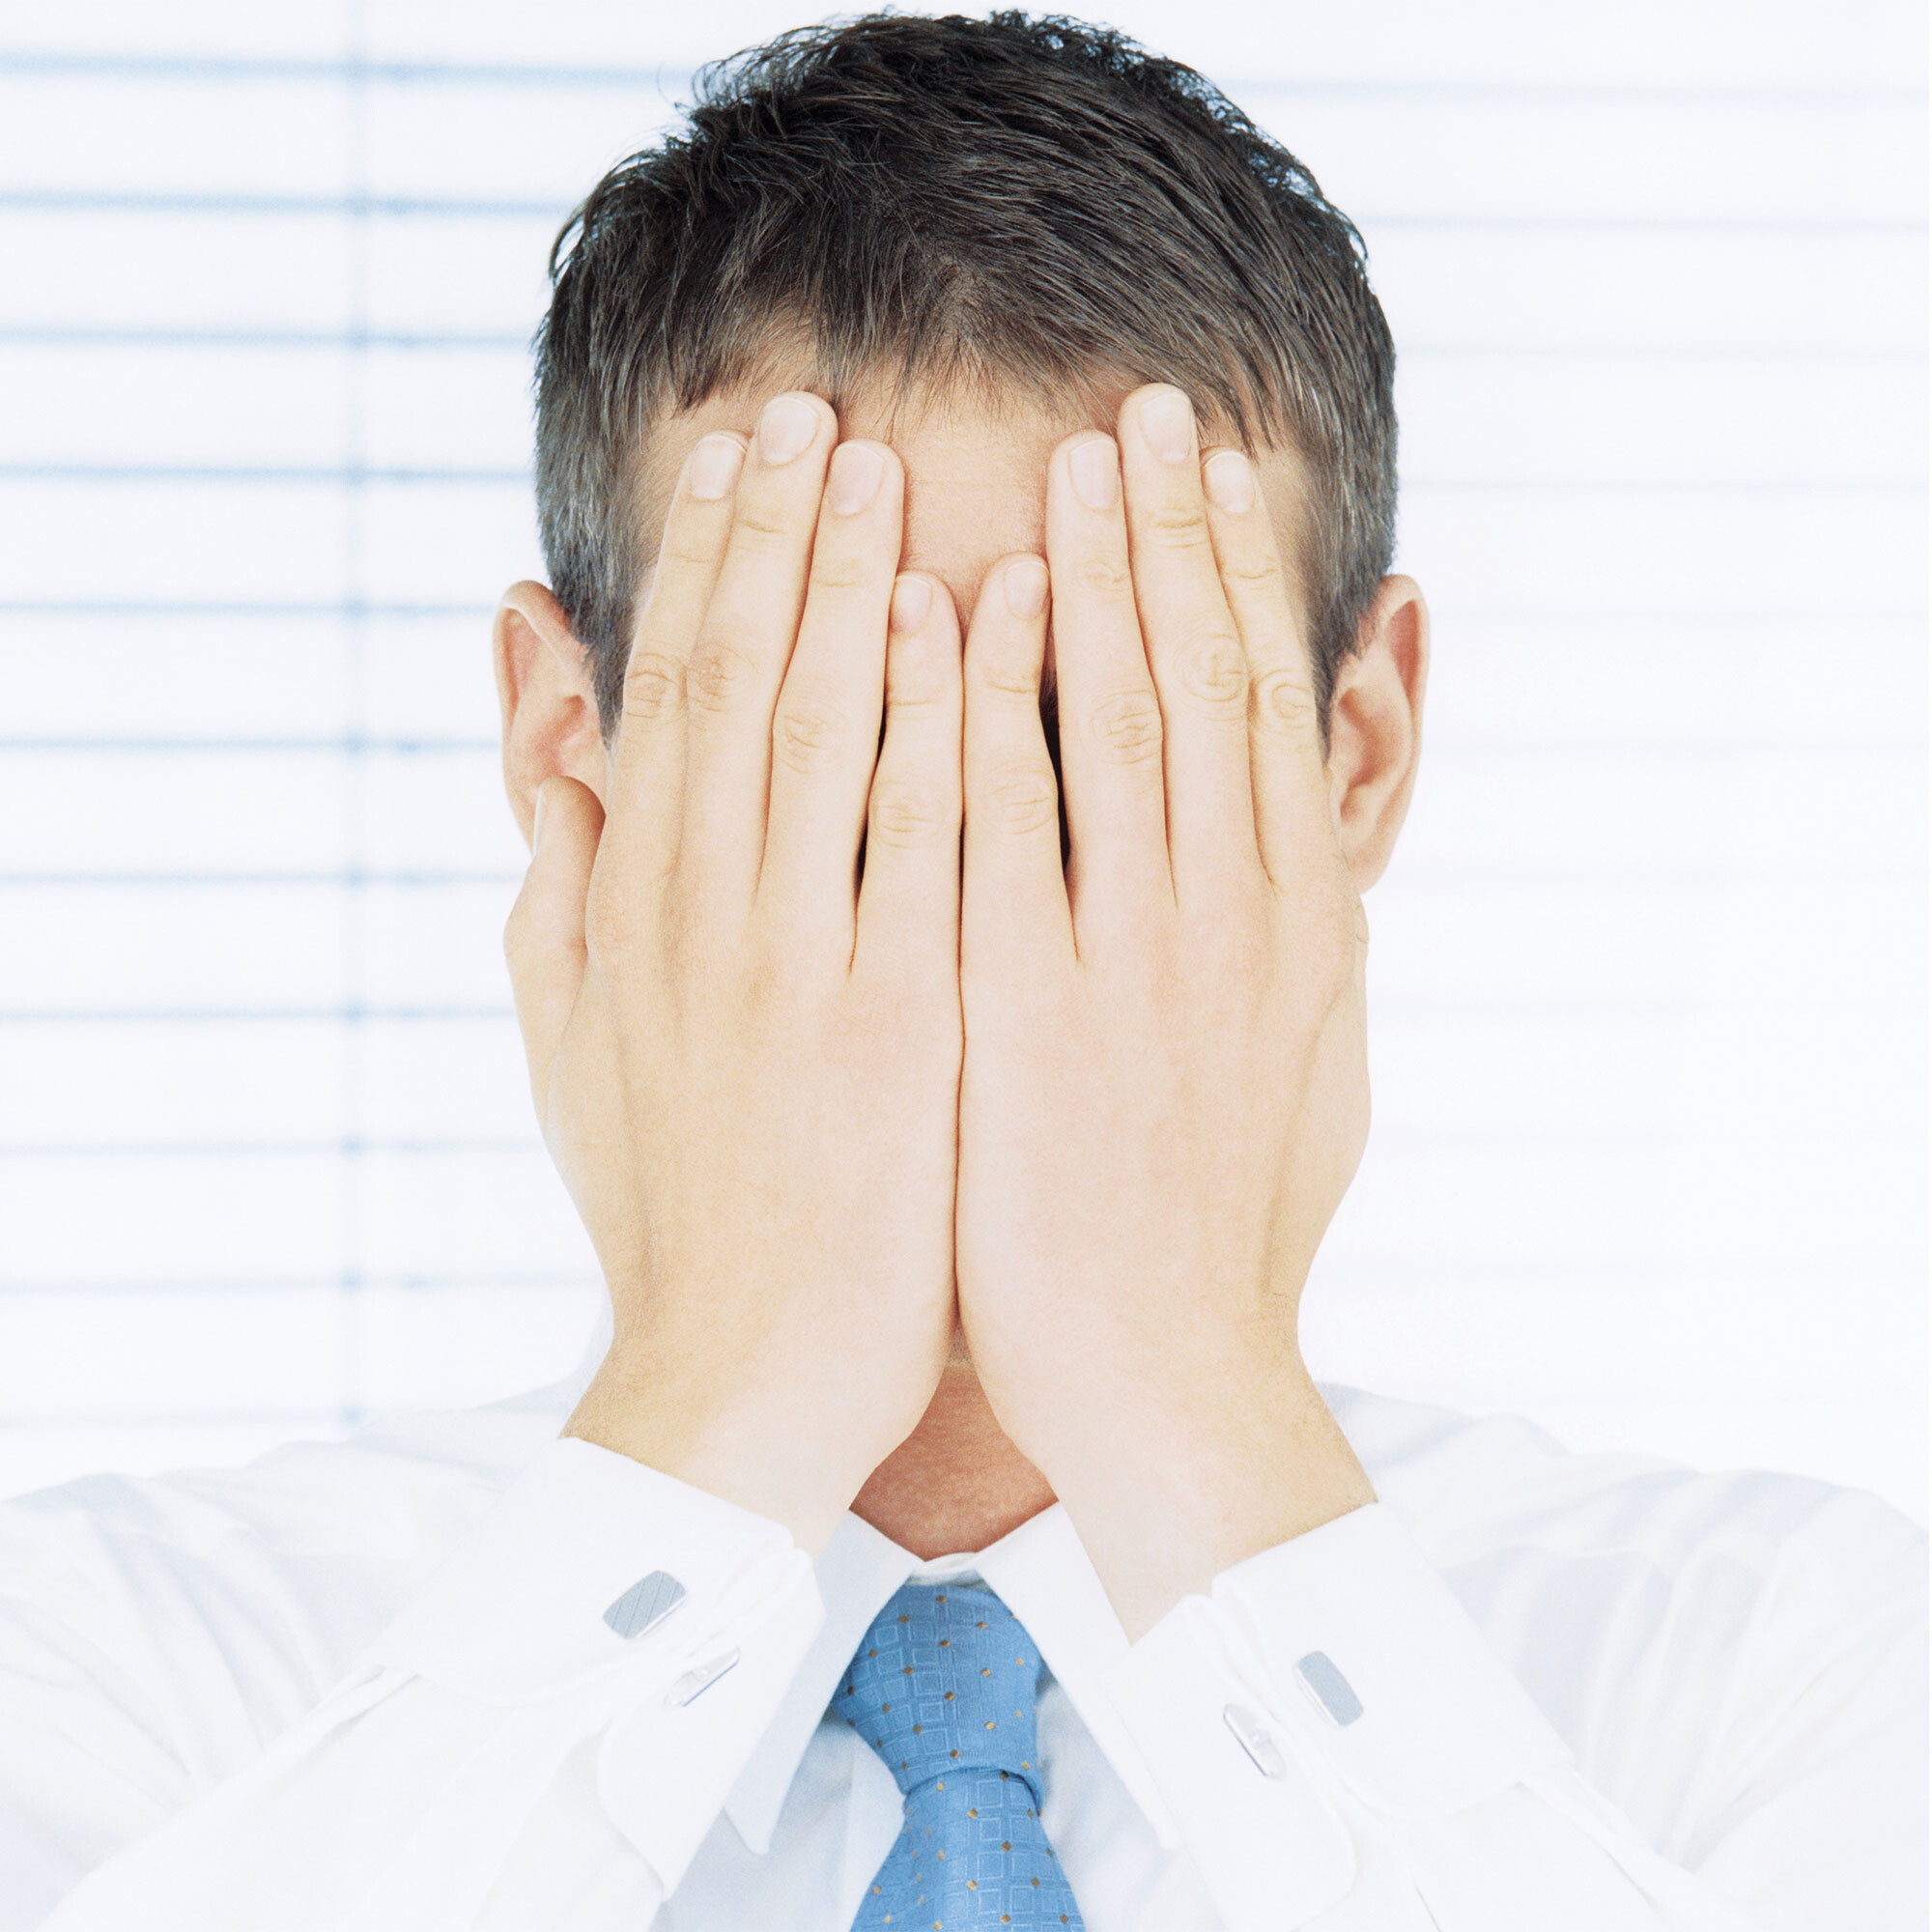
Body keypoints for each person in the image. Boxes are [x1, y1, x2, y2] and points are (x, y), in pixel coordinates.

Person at [0, 14, 1921, 1931]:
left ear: (1354, 753)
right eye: (829, 731)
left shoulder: (1798, 1666)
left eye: (1106, 741)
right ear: (568, 747)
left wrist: (1186, 1414)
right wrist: (720, 1413)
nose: (965, 873)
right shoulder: (103, 1668)